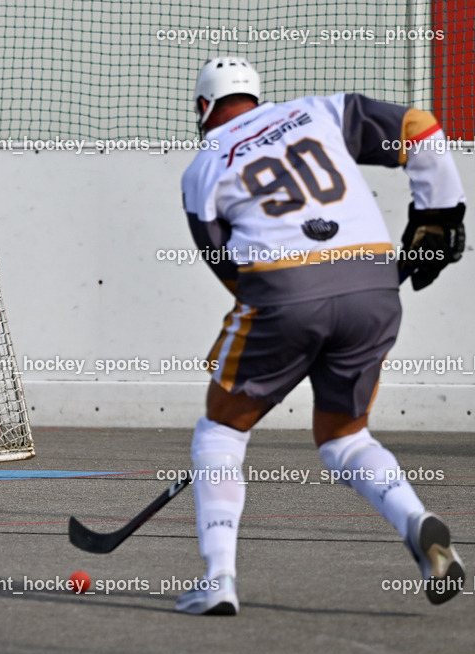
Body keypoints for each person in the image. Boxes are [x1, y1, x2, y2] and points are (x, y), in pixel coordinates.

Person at [176, 57, 466, 615]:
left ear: (203, 108)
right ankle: (415, 520)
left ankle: (219, 580)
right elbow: (420, 127)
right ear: (257, 98)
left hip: (284, 293)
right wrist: (441, 213)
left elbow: (232, 274)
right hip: (374, 289)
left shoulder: (202, 167)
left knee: (220, 430)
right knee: (345, 437)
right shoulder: (319, 111)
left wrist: (291, 330)